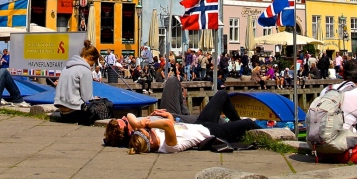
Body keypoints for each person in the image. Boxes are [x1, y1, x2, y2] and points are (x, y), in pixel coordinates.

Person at [126, 90, 260, 153]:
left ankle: (237, 127)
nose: (150, 130)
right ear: (150, 141)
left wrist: (138, 124)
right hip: (211, 133)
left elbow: (129, 115)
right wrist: (147, 124)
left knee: (222, 95)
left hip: (200, 124)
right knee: (248, 122)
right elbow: (167, 126)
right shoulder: (167, 147)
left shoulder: (160, 139)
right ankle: (264, 133)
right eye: (148, 132)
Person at [54, 40, 100, 125]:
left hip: (62, 111)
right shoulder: (85, 70)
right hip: (73, 111)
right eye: (93, 63)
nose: (92, 65)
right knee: (103, 106)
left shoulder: (67, 67)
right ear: (90, 58)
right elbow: (87, 98)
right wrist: (94, 99)